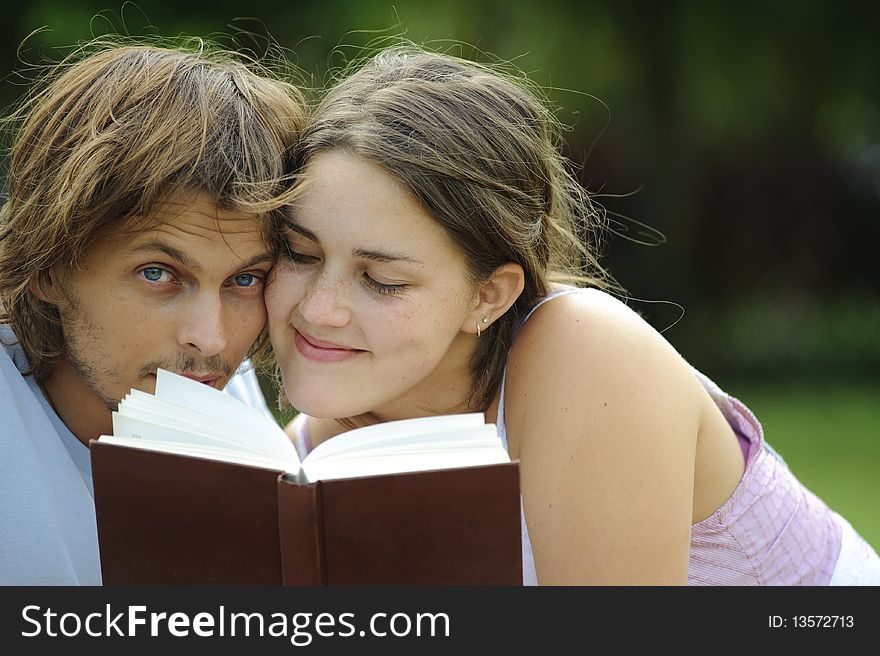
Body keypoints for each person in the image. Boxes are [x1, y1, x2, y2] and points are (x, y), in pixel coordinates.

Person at [265, 46, 880, 585]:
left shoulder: (586, 355)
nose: (319, 309)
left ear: (489, 297)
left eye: (383, 281)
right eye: (299, 252)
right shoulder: (316, 447)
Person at [0, 37, 305, 584]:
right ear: (48, 265)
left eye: (244, 279)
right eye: (158, 274)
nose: (212, 340)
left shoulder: (206, 391)